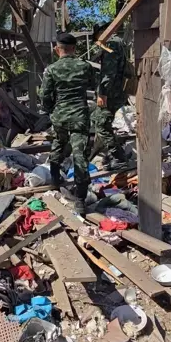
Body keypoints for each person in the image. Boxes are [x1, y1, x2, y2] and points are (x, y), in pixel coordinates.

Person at [40, 32, 93, 212]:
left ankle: (55, 180)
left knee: (58, 143)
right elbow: (94, 84)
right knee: (80, 154)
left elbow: (45, 95)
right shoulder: (84, 66)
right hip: (79, 115)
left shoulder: (52, 69)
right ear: (74, 48)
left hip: (60, 116)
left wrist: (49, 110)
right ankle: (80, 200)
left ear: (57, 49)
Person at [92, 23, 130, 170]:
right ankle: (111, 154)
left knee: (101, 125)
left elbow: (109, 72)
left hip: (110, 94)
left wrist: (102, 93)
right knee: (103, 124)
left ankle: (119, 157)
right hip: (116, 92)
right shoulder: (118, 42)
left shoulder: (111, 44)